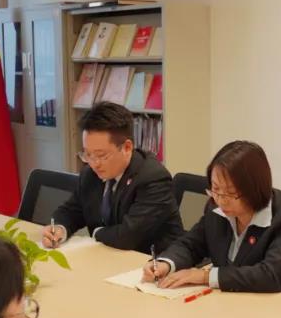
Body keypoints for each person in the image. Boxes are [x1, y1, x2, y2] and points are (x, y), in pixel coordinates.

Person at [142, 141, 281, 296]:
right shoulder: (216, 207)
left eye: (230, 193)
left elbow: (270, 275)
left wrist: (205, 276)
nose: (221, 200)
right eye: (215, 189)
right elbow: (191, 244)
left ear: (255, 189)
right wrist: (166, 263)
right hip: (235, 303)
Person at [42, 101, 184, 253]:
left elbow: (128, 236)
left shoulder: (153, 178)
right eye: (88, 154)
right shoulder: (90, 173)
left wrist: (96, 233)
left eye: (101, 155)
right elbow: (72, 210)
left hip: (151, 260)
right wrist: (59, 228)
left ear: (127, 147)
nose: (94, 163)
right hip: (109, 255)